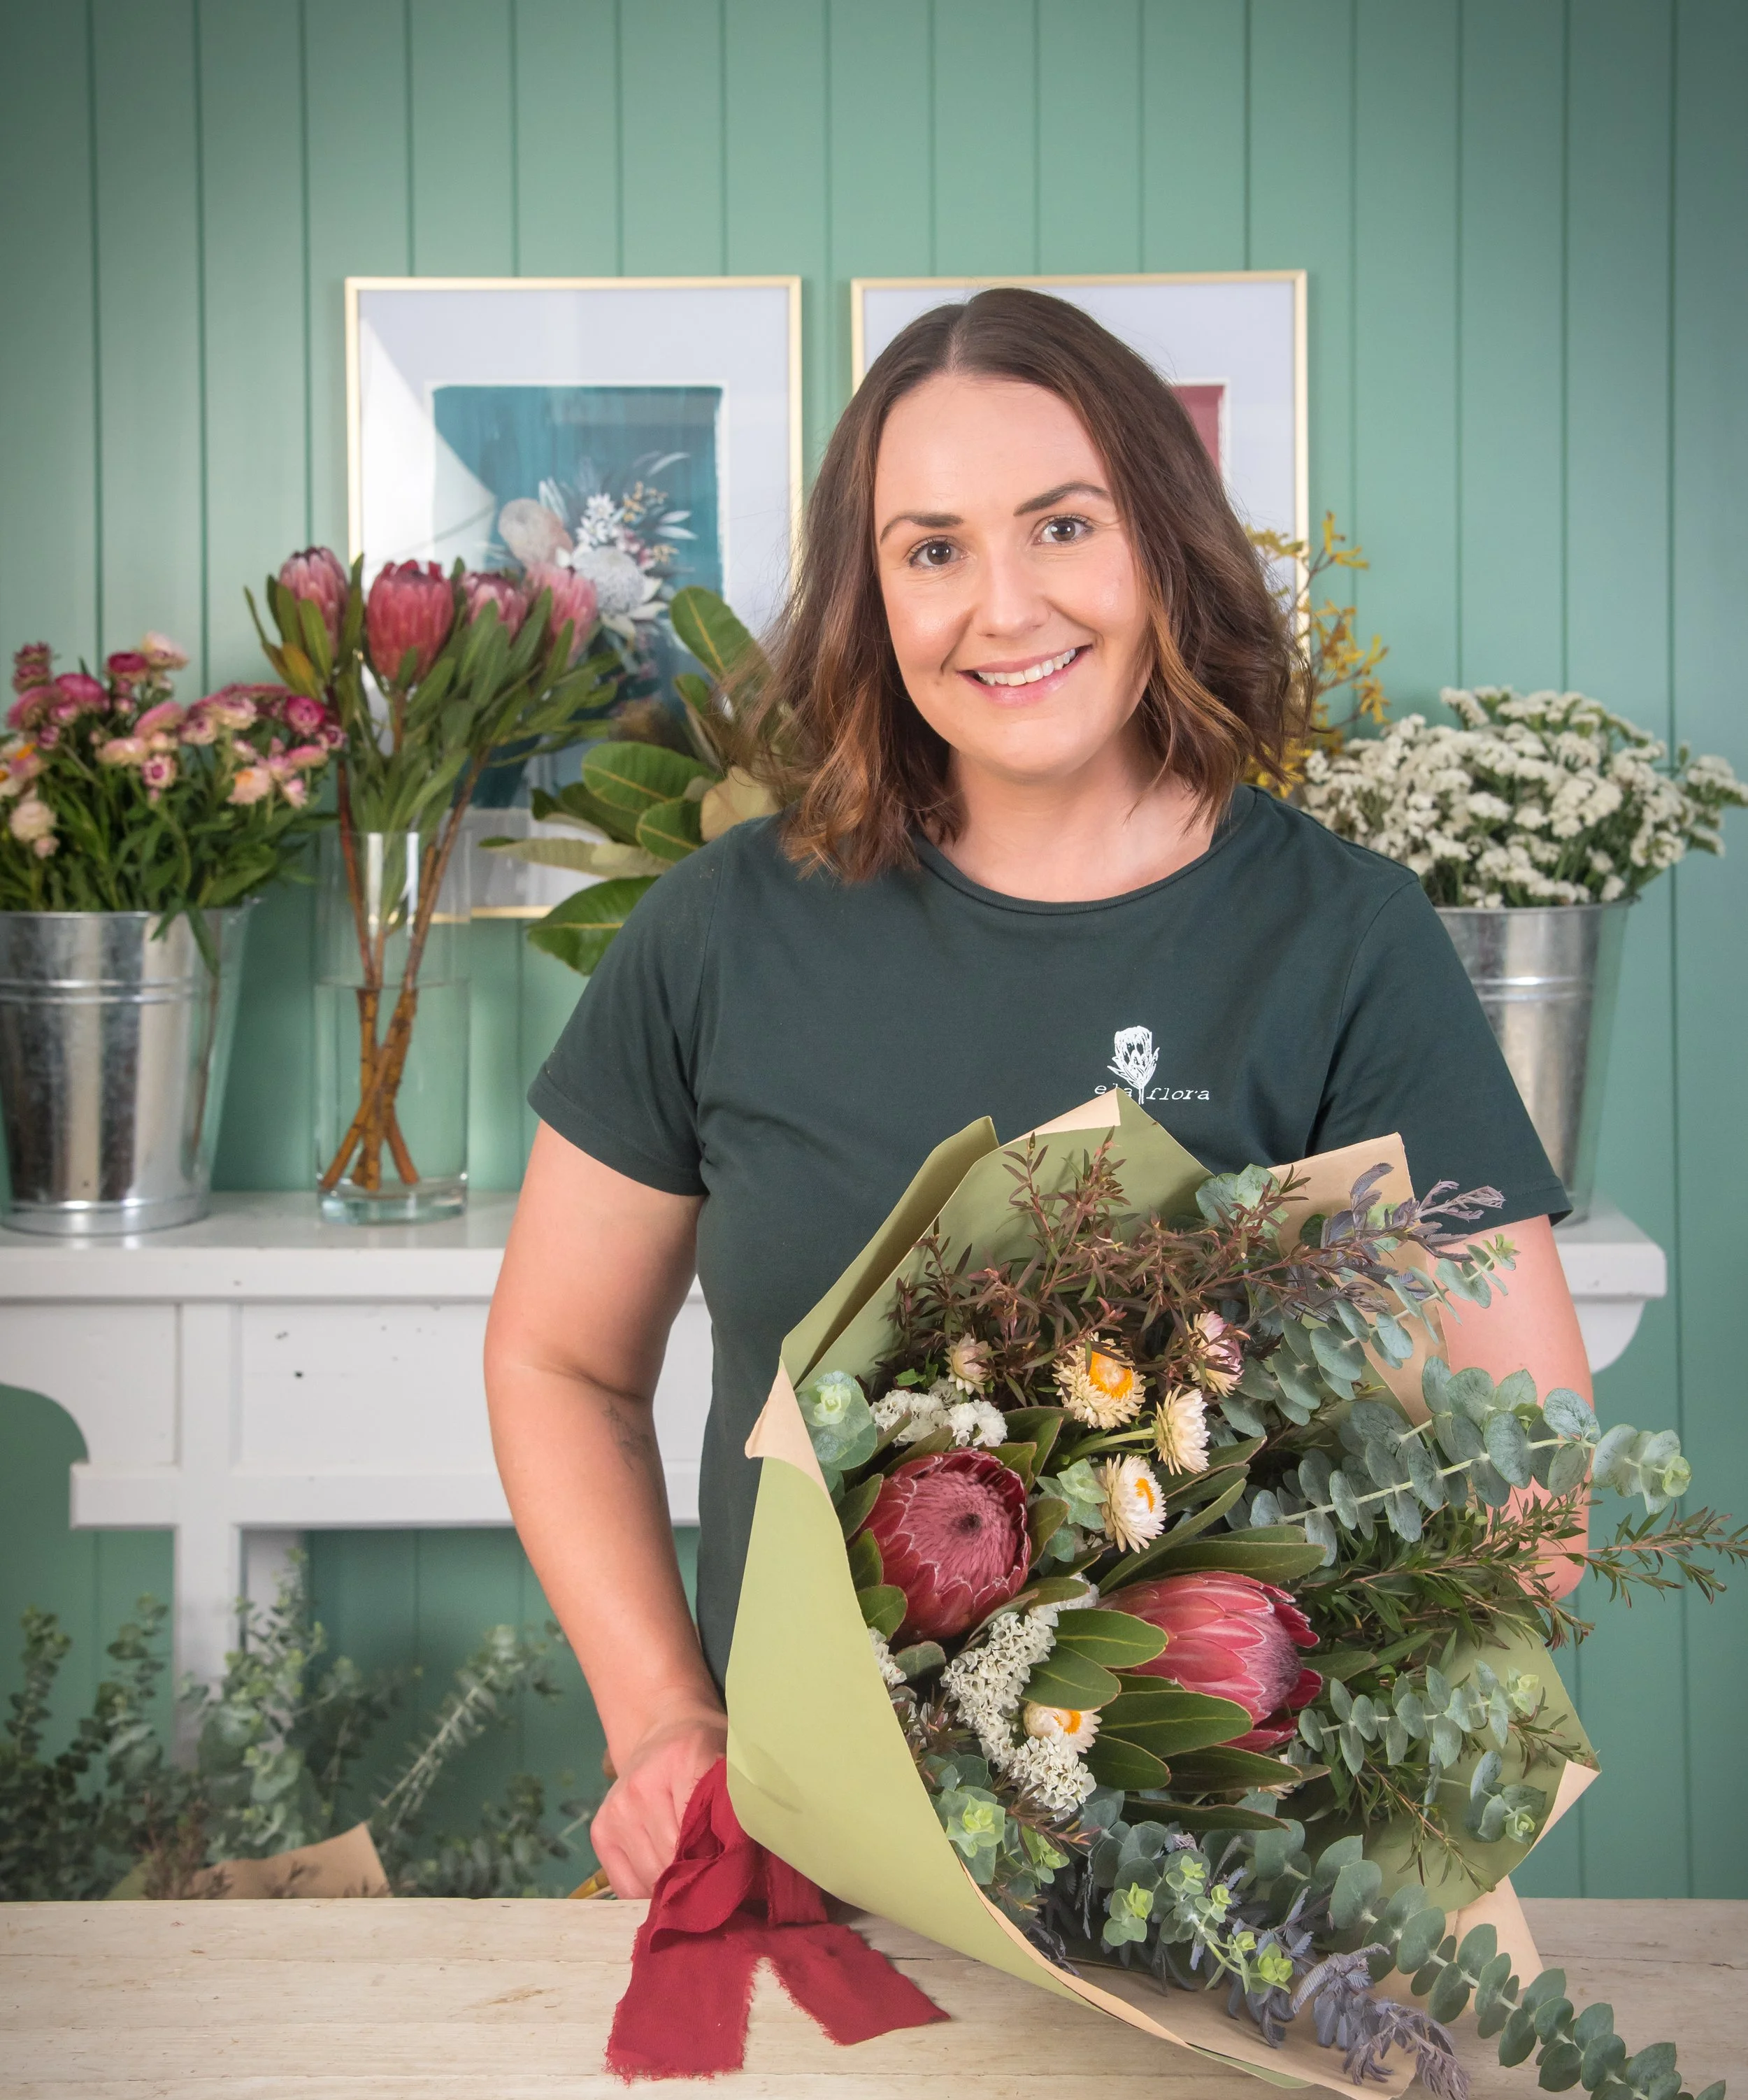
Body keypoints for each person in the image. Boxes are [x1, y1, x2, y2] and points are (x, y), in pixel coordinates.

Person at [484, 288, 1589, 1901]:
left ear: (1160, 541)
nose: (999, 609)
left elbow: (1527, 1485)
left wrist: (1314, 1789)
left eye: (1059, 526)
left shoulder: (1344, 943)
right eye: (930, 549)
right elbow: (559, 1360)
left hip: (1216, 1897)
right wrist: (661, 1717)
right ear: (871, 595)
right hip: (799, 1864)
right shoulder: (721, 932)